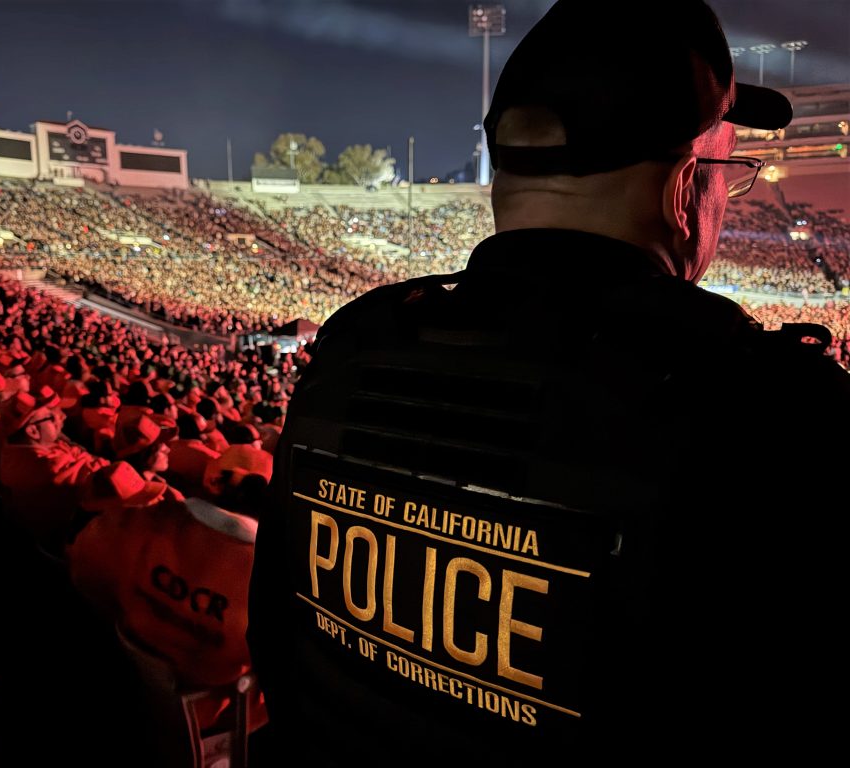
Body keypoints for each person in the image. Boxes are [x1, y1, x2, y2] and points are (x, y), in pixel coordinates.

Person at [247, 1, 850, 764]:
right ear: (684, 189)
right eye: (727, 173)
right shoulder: (776, 414)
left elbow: (274, 639)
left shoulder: (355, 349)